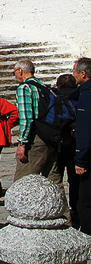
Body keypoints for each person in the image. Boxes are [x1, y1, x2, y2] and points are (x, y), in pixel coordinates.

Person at [13, 58, 62, 186]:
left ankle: (21, 206)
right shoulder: (44, 88)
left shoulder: (24, 88)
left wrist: (22, 143)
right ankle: (60, 205)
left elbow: (26, 118)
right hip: (50, 135)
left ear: (20, 71)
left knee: (23, 182)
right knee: (53, 179)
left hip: (35, 139)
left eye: (15, 72)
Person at [53, 72, 79, 227]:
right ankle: (76, 210)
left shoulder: (55, 98)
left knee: (56, 177)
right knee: (76, 180)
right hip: (76, 142)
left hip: (60, 143)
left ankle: (60, 211)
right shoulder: (79, 96)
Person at [73, 57, 91, 234]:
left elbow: (85, 131)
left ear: (83, 74)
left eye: (75, 72)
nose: (73, 75)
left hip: (90, 158)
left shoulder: (86, 96)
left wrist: (80, 160)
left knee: (85, 203)